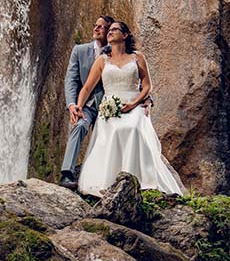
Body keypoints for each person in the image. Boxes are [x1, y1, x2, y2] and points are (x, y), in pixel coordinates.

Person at [73, 21, 184, 196]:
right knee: (114, 130)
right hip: (110, 107)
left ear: (125, 35)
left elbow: (147, 85)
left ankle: (139, 179)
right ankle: (110, 181)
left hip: (134, 104)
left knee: (133, 129)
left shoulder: (137, 57)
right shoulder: (102, 60)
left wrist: (134, 103)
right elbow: (87, 88)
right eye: (108, 30)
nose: (109, 32)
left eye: (114, 30)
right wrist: (78, 106)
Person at [59, 16, 114, 189]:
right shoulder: (79, 51)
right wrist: (72, 105)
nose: (96, 29)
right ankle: (67, 173)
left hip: (111, 106)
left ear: (109, 32)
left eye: (101, 27)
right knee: (80, 126)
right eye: (95, 25)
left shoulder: (117, 52)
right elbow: (71, 80)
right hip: (87, 106)